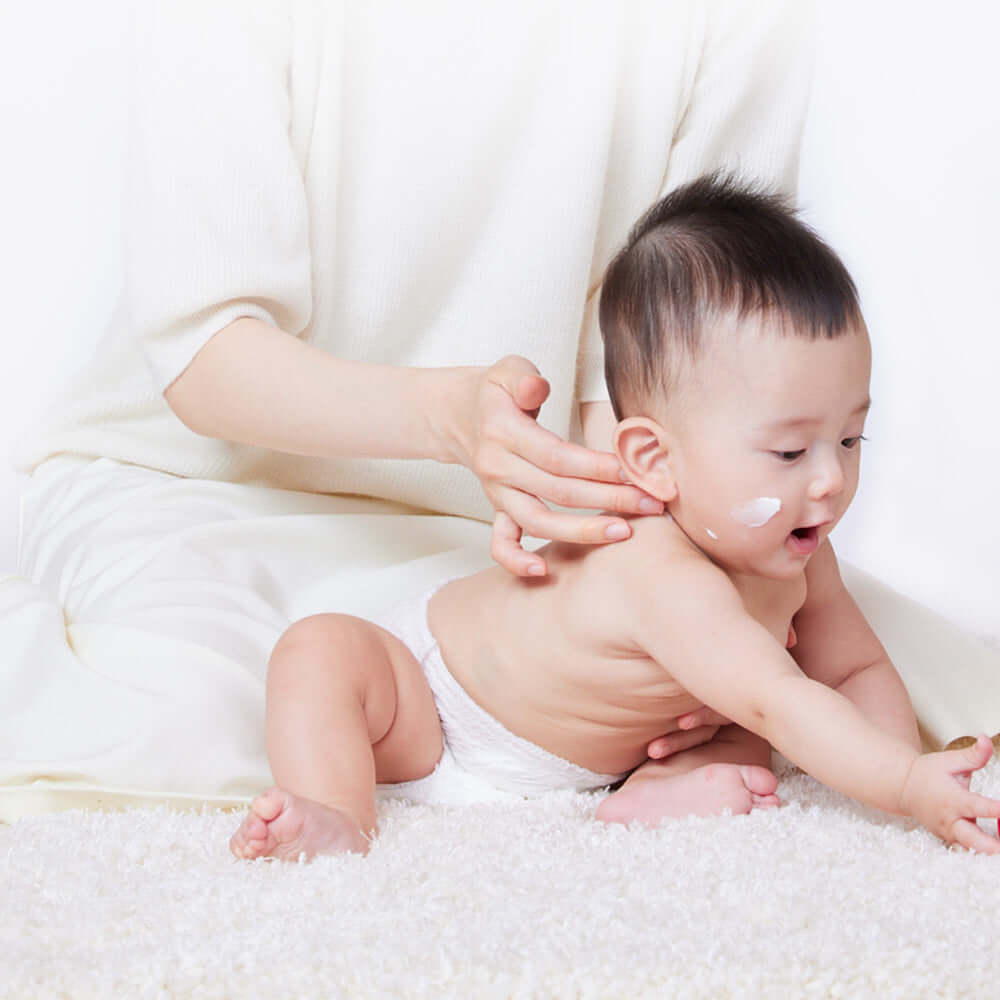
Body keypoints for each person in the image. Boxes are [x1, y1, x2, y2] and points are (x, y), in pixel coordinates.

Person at [230, 175, 1000, 861]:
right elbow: (783, 696)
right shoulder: (659, 570)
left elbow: (853, 669)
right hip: (442, 709)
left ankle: (655, 796)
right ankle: (336, 814)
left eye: (848, 438)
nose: (831, 479)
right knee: (320, 652)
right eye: (791, 451)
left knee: (747, 729)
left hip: (606, 756)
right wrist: (906, 784)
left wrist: (900, 770)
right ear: (656, 461)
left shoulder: (800, 550)